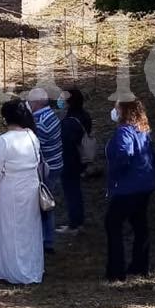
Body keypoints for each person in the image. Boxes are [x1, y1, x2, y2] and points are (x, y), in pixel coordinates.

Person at [0, 99, 44, 284]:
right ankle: (31, 268)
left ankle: (12, 270)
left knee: (10, 229)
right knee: (30, 229)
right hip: (30, 185)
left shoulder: (3, 141)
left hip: (11, 187)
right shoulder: (32, 136)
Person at [105, 98, 155, 282]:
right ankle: (140, 266)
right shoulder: (142, 128)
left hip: (128, 187)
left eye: (117, 109)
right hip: (145, 184)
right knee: (139, 225)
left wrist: (115, 173)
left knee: (113, 225)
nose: (114, 112)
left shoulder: (124, 132)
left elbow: (123, 153)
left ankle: (116, 270)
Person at [26, 87, 64, 255]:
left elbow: (33, 146)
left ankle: (45, 240)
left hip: (46, 169)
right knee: (47, 203)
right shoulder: (52, 116)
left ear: (36, 104)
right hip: (56, 164)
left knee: (43, 204)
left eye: (30, 102)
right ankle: (47, 239)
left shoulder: (39, 122)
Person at [57, 87, 93, 234]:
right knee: (76, 190)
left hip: (70, 161)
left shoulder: (69, 123)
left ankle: (74, 224)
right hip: (81, 159)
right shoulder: (84, 115)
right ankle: (78, 221)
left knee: (71, 192)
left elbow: (66, 144)